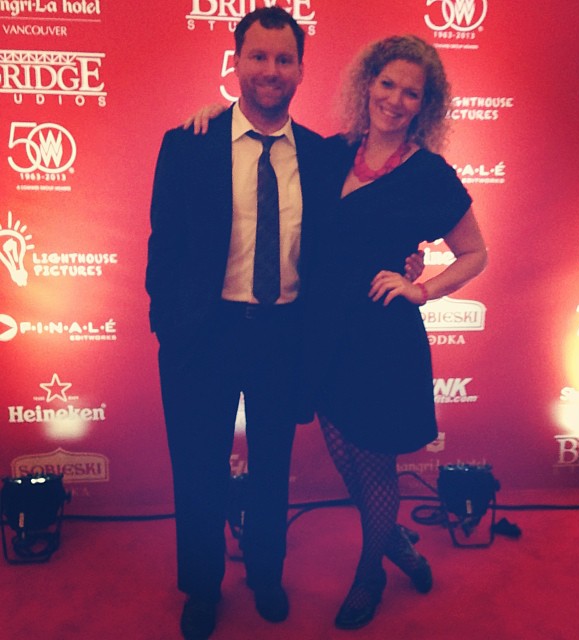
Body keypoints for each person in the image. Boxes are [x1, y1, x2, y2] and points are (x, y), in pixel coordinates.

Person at [186, 33, 487, 630]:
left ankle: (371, 571)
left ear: (424, 106)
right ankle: (396, 544)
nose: (395, 100)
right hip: (319, 338)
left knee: (373, 468)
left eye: (411, 93)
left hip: (381, 344)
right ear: (366, 85)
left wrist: (420, 286)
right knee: (350, 461)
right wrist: (214, 118)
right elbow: (261, 146)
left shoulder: (430, 175)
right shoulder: (328, 154)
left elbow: (475, 253)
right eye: (387, 84)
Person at [145, 8, 329, 640]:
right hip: (204, 335)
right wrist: (171, 327)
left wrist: (410, 258)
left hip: (284, 335)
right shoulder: (188, 142)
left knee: (273, 464)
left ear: (301, 69)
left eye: (284, 59)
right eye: (258, 57)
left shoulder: (323, 158)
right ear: (236, 62)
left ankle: (266, 572)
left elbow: (360, 229)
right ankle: (201, 587)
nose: (270, 70)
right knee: (197, 467)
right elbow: (162, 248)